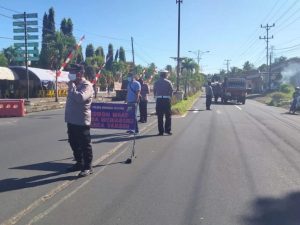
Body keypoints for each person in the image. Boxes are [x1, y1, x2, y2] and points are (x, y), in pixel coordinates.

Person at [65, 64, 94, 177]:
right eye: (70, 72)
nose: (70, 74)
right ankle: (79, 163)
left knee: (84, 145)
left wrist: (72, 87)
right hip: (71, 120)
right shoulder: (74, 85)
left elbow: (80, 98)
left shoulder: (86, 85)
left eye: (73, 72)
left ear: (80, 73)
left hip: (81, 121)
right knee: (73, 143)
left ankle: (87, 167)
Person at [153, 70, 173, 136]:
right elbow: (171, 90)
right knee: (168, 116)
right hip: (166, 99)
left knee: (160, 116)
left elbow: (154, 90)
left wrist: (155, 96)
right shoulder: (168, 82)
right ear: (165, 75)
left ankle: (161, 131)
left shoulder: (156, 82)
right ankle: (167, 130)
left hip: (159, 99)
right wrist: (170, 98)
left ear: (160, 75)